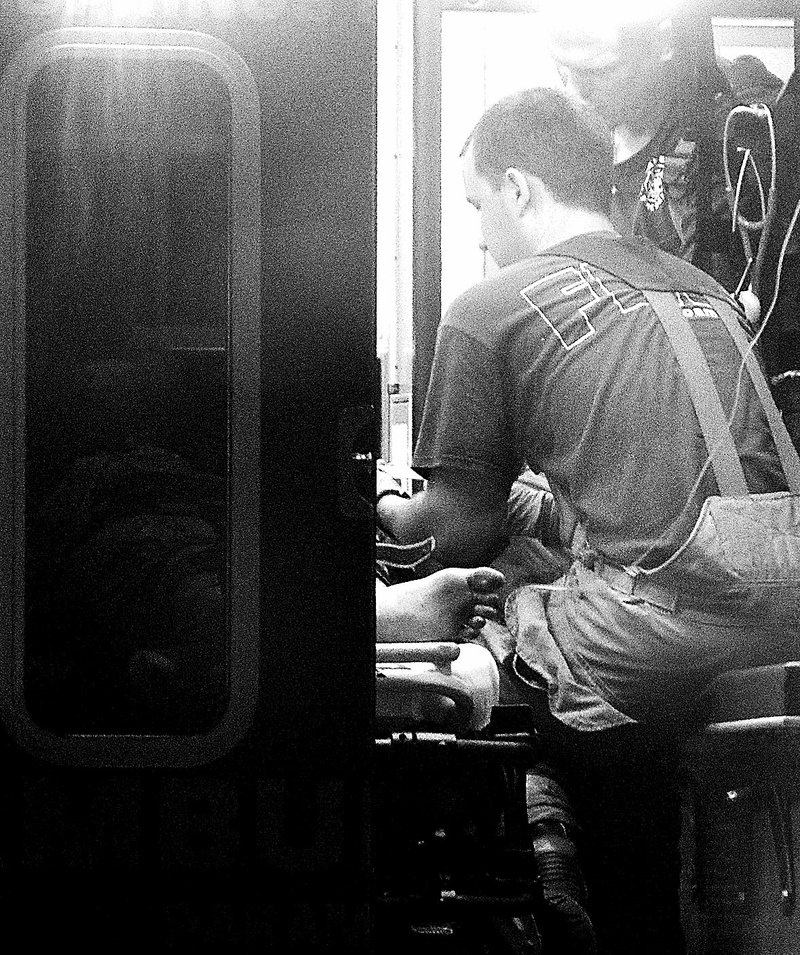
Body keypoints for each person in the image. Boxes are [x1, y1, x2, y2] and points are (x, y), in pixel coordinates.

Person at [376, 87, 800, 954]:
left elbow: (452, 529)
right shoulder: (702, 287)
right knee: (546, 568)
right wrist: (525, 512)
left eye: (478, 207)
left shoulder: (491, 308)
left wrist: (382, 504)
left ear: (520, 189)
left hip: (673, 620)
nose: (480, 235)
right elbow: (654, 493)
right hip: (782, 593)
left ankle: (549, 871)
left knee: (486, 662)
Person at [539, 1, 748, 296]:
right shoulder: (568, 143)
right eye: (564, 69)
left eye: (599, 72)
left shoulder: (720, 142)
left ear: (662, 43)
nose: (574, 92)